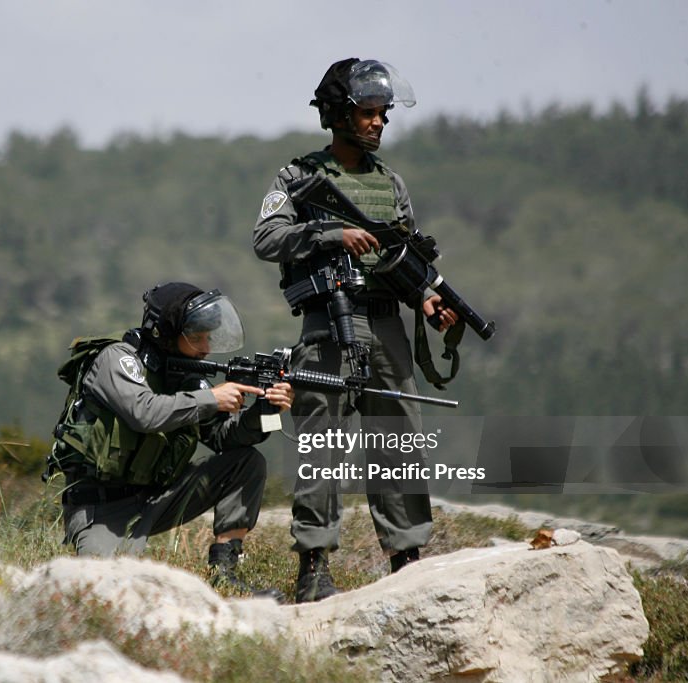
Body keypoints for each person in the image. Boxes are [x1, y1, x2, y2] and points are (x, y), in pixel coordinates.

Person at [252, 58, 459, 603]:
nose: (377, 124)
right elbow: (267, 238)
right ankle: (313, 565)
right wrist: (329, 234)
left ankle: (407, 557)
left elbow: (404, 259)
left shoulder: (391, 184)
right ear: (339, 115)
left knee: (398, 441)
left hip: (388, 326)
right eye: (367, 113)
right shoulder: (298, 177)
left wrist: (430, 300)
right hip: (329, 323)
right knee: (322, 442)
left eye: (382, 114)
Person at [50, 282, 294, 599]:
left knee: (246, 463)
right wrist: (210, 398)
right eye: (196, 338)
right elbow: (144, 413)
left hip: (156, 499)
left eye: (208, 337)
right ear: (164, 333)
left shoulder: (185, 376)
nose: (206, 347)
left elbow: (225, 438)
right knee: (106, 596)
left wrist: (267, 409)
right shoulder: (116, 360)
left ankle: (225, 577)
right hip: (101, 509)